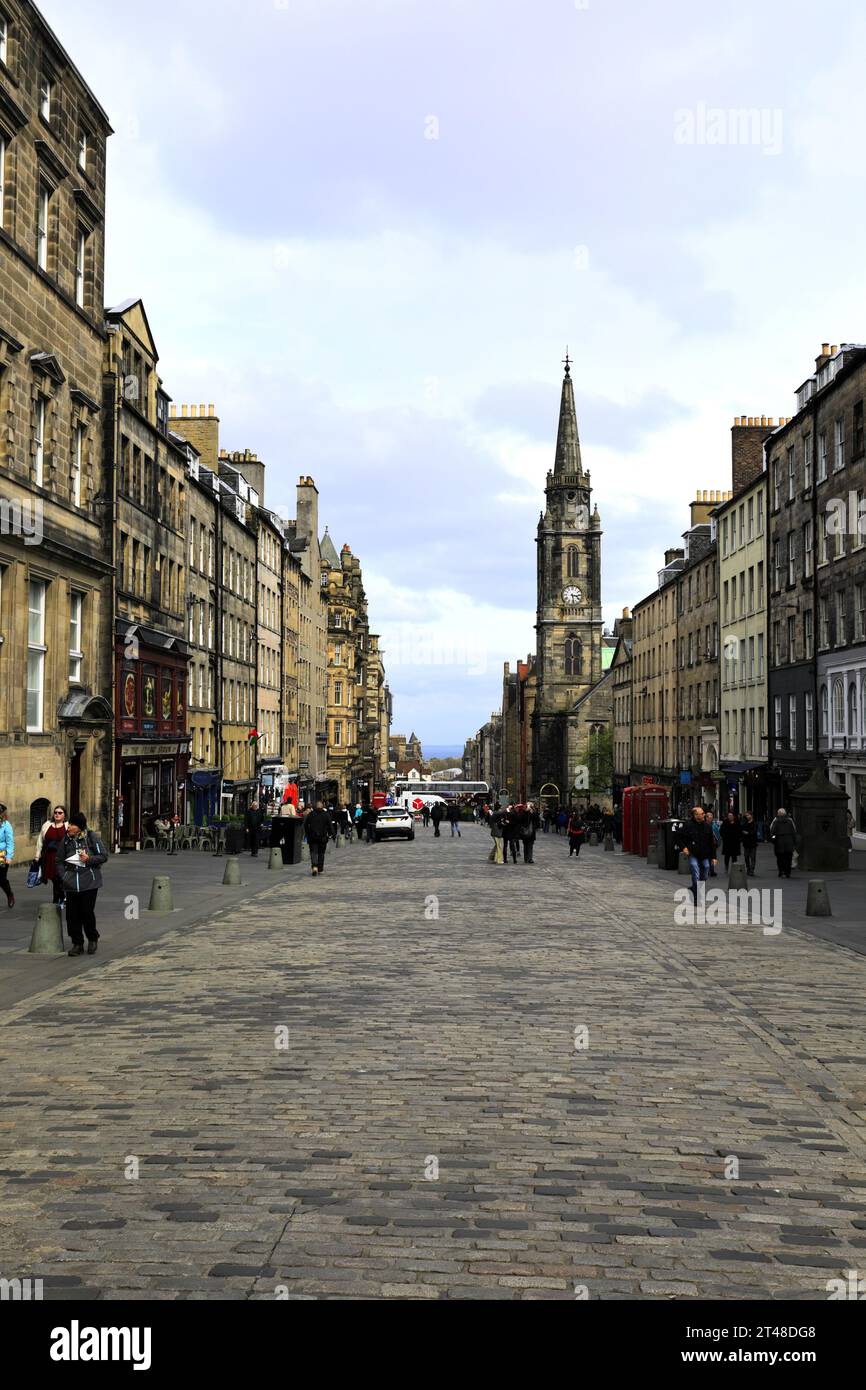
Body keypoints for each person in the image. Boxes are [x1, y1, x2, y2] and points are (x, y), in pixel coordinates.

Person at [61, 813, 108, 956]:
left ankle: (92, 938)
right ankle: (77, 943)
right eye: (69, 824)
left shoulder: (91, 837)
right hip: (71, 883)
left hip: (89, 881)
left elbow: (103, 856)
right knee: (72, 915)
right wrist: (63, 875)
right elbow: (58, 860)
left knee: (86, 912)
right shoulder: (66, 840)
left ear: (79, 827)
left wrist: (89, 859)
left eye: (72, 825)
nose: (69, 827)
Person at [676, 806, 717, 903]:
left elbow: (712, 843)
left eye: (703, 813)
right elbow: (678, 837)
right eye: (702, 813)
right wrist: (684, 847)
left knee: (706, 869)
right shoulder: (688, 825)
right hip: (693, 853)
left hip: (705, 854)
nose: (704, 815)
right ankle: (696, 897)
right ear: (695, 815)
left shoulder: (707, 826)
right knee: (695, 870)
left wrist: (714, 857)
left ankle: (694, 888)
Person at [36, 805, 68, 904]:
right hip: (49, 856)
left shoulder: (67, 825)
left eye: (60, 813)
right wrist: (37, 855)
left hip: (63, 857)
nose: (57, 814)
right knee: (55, 879)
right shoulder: (47, 825)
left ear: (64, 815)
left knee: (59, 878)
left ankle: (58, 898)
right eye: (55, 812)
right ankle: (60, 898)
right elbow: (40, 841)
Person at [305, 801, 332, 876]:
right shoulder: (326, 814)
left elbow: (306, 825)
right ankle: (320, 868)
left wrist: (308, 834)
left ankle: (314, 867)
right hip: (323, 837)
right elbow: (330, 825)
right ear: (322, 807)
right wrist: (331, 834)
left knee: (313, 852)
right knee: (321, 853)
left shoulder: (311, 814)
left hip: (313, 837)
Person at [768, 807, 797, 879]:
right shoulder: (790, 821)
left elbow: (773, 833)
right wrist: (794, 842)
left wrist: (773, 840)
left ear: (778, 814)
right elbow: (793, 832)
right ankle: (788, 872)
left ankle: (781, 871)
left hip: (779, 843)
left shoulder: (776, 821)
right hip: (789, 842)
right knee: (788, 858)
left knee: (780, 858)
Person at [0, 804, 15, 909]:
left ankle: (9, 894)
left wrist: (9, 856)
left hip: (1, 854)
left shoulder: (6, 825)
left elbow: (10, 842)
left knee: (1, 878)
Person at [740, 812, 758, 876]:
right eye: (746, 815)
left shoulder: (754, 823)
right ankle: (748, 868)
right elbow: (741, 830)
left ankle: (752, 870)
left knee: (752, 857)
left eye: (748, 815)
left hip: (753, 843)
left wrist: (748, 833)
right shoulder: (745, 823)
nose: (747, 816)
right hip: (746, 843)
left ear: (751, 815)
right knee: (746, 856)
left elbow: (754, 831)